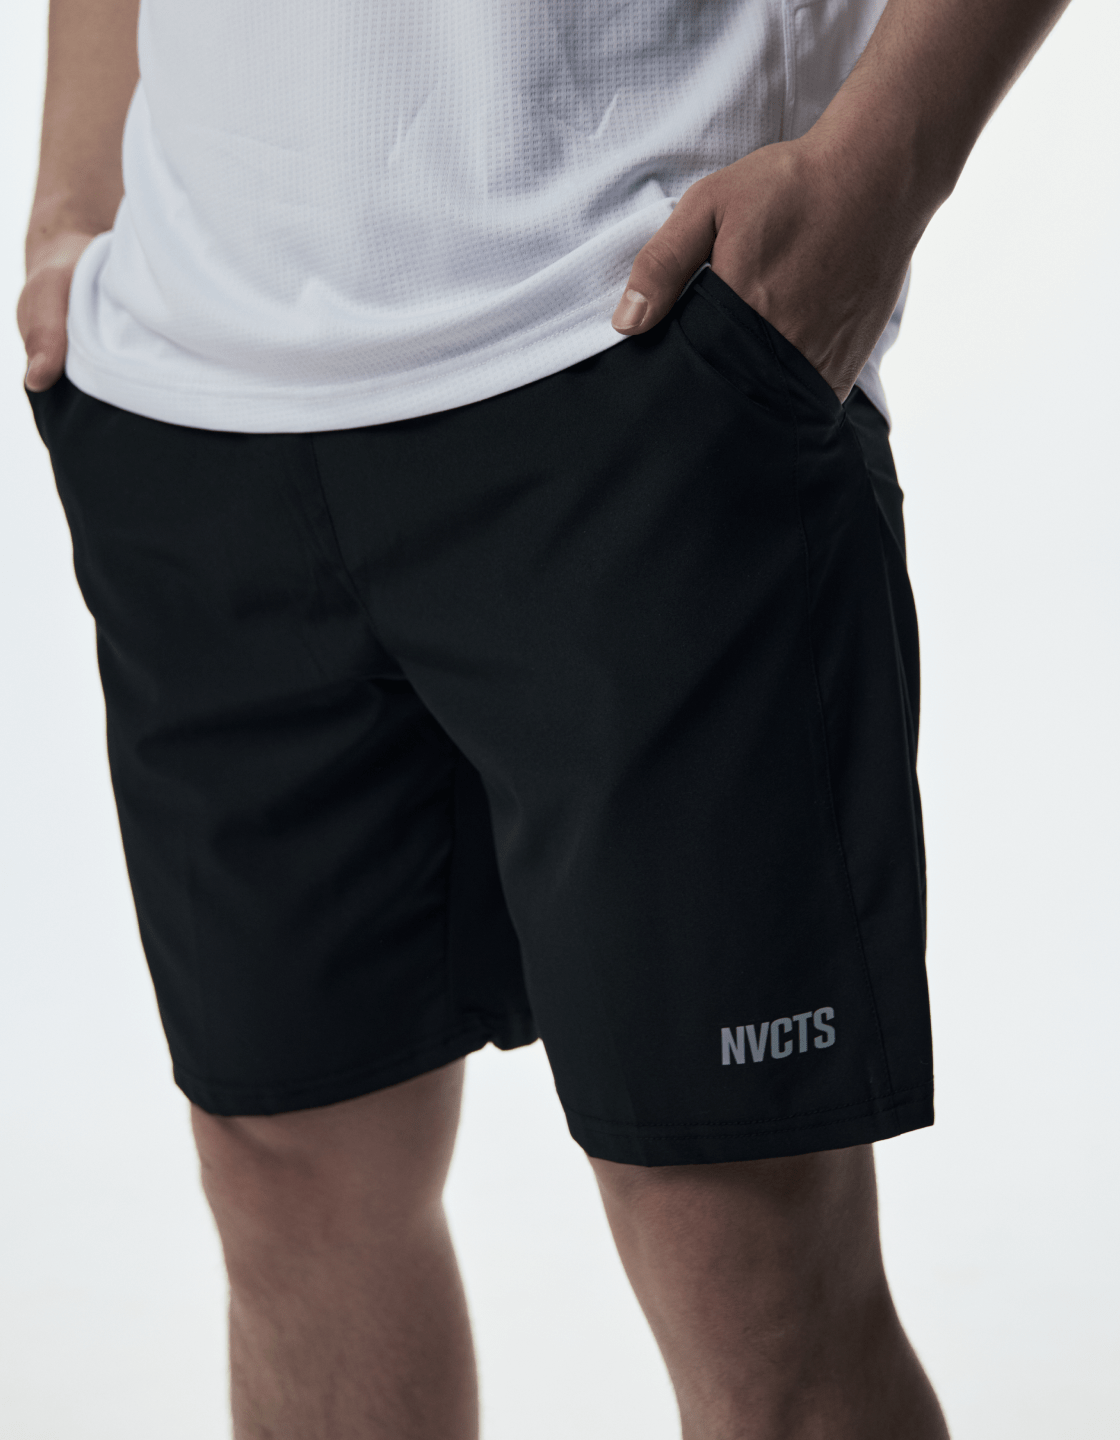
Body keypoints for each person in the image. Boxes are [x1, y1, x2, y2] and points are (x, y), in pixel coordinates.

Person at [17, 1, 1068, 1436]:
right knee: (284, 1173)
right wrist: (74, 199)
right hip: (201, 390)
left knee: (738, 1241)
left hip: (630, 337)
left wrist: (876, 181)